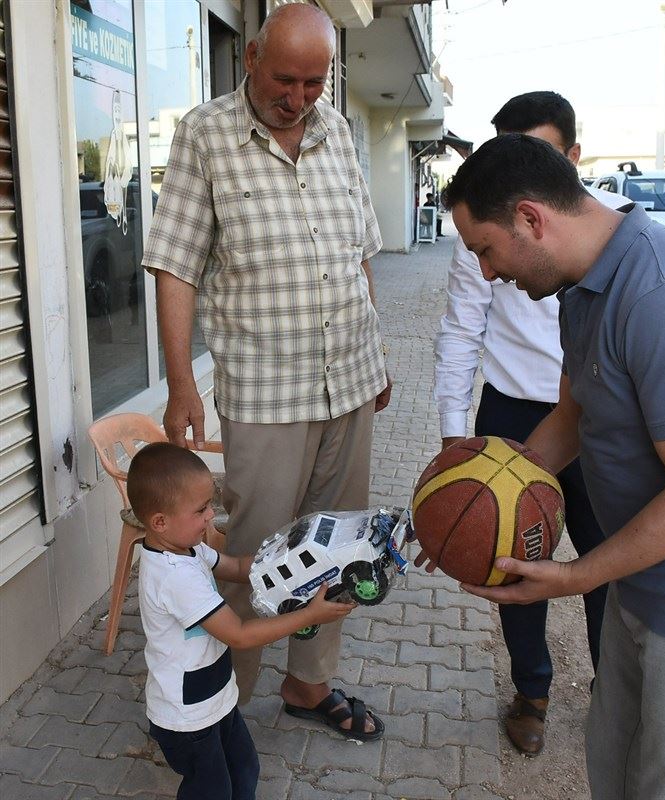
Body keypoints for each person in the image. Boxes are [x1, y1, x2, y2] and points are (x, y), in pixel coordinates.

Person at [436, 134, 665, 799]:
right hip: (643, 581)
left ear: (531, 217)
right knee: (616, 771)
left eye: (484, 249)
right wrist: (470, 502)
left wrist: (574, 576)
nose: (486, 274)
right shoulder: (582, 286)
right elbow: (571, 419)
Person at [141, 4, 390, 740]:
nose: (299, 97)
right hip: (265, 392)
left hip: (348, 379)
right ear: (250, 57)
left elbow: (360, 253)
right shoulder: (205, 135)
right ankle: (219, 706)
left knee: (338, 547)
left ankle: (309, 686)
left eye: (315, 83)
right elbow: (176, 266)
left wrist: (374, 354)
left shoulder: (338, 130)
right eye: (286, 79)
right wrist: (182, 382)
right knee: (257, 554)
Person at [433, 91, 628, 755]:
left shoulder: (619, 240)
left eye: (536, 154)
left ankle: (617, 694)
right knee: (508, 560)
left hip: (598, 416)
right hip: (513, 413)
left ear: (571, 158)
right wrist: (455, 436)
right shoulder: (480, 233)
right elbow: (461, 330)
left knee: (607, 563)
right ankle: (531, 691)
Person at [127, 442, 356, 800]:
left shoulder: (187, 547)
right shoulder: (174, 578)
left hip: (215, 698)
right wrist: (308, 615)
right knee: (211, 790)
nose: (210, 517)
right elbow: (240, 634)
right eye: (201, 509)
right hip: (188, 718)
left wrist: (287, 565)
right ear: (160, 521)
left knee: (244, 767)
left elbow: (233, 567)